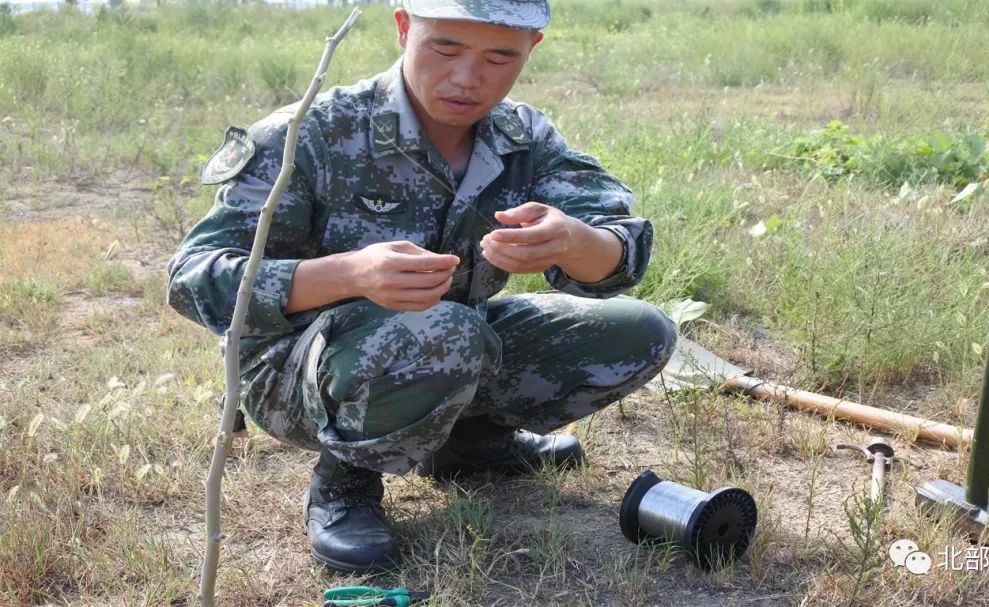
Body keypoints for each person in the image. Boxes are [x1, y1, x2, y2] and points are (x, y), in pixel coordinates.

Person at [166, 0, 677, 574]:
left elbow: (618, 244)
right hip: (297, 374)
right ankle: (345, 481)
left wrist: (572, 241)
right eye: (446, 48)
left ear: (530, 51)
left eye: (499, 57)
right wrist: (347, 274)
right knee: (448, 331)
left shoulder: (522, 137)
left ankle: (470, 442)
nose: (467, 78)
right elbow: (193, 279)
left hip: (453, 342)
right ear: (404, 27)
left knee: (639, 331)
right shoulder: (309, 134)